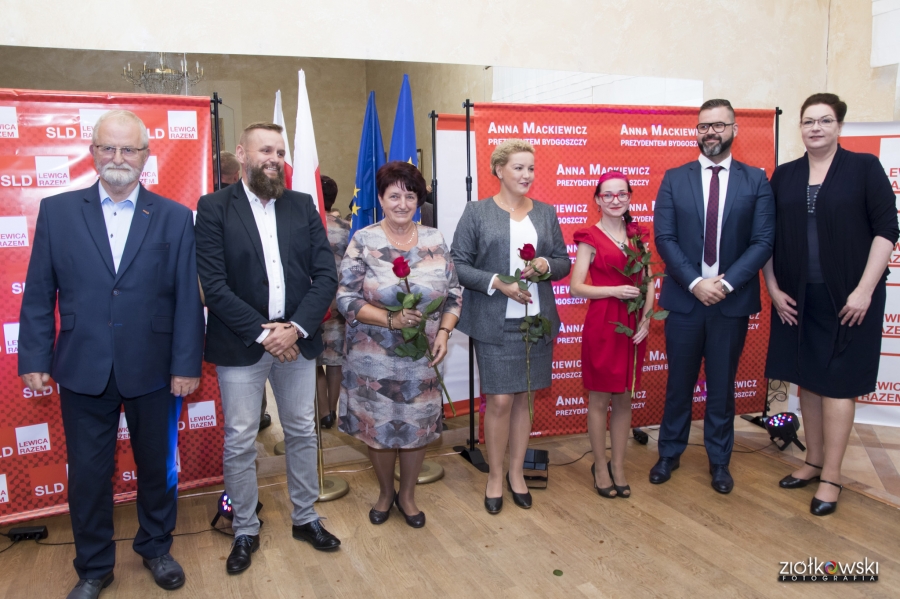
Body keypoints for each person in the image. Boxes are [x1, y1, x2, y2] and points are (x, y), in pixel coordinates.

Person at [18, 110, 205, 598]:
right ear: (93, 152)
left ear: (145, 156)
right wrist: (34, 357)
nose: (118, 157)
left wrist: (186, 364)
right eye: (108, 147)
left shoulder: (174, 216)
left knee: (158, 468)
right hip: (82, 365)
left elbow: (187, 298)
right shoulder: (58, 211)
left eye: (129, 149)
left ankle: (156, 548)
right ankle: (94, 567)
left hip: (155, 368)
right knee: (87, 475)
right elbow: (39, 292)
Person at [195, 122, 340, 575]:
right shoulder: (214, 208)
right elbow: (213, 285)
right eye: (265, 150)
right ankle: (244, 528)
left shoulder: (301, 205)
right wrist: (266, 335)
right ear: (242, 154)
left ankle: (306, 517)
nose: (274, 159)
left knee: (302, 430)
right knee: (241, 439)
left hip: (297, 340)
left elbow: (326, 276)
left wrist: (294, 329)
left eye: (280, 152)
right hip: (242, 342)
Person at [764, 93, 898, 516]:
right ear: (800, 128)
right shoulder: (785, 175)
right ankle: (814, 461)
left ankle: (832, 476)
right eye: (808, 121)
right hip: (797, 298)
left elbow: (887, 230)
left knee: (838, 384)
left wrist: (864, 290)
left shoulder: (863, 168)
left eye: (824, 120)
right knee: (807, 380)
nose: (816, 128)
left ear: (839, 126)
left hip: (849, 299)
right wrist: (772, 287)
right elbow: (766, 235)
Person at [651, 99, 775, 494]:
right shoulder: (675, 178)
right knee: (679, 384)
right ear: (697, 131)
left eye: (719, 125)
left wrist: (725, 284)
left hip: (730, 303)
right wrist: (695, 283)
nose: (711, 132)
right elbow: (664, 238)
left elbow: (763, 241)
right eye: (704, 126)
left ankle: (720, 461)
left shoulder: (755, 180)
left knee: (722, 387)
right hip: (685, 301)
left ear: (734, 129)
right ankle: (669, 453)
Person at [337, 161, 462, 528]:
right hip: (371, 358)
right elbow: (345, 298)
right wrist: (389, 319)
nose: (403, 204)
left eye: (410, 196)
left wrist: (444, 333)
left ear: (419, 200)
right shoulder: (364, 240)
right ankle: (384, 493)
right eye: (394, 196)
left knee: (416, 426)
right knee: (377, 428)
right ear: (380, 199)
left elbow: (454, 294)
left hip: (422, 357)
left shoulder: (435, 239)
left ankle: (407, 495)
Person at [451, 138, 570, 514]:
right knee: (500, 400)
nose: (526, 175)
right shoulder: (477, 212)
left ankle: (516, 473)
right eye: (518, 167)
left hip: (535, 322)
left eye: (531, 168)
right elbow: (458, 263)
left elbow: (563, 262)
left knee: (524, 399)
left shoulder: (546, 213)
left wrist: (546, 265)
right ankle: (494, 476)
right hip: (494, 323)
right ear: (499, 170)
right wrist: (497, 282)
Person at [570, 172, 653, 499]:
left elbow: (649, 281)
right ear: (598, 199)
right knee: (600, 398)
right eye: (608, 195)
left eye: (622, 194)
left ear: (630, 197)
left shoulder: (638, 235)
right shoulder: (589, 236)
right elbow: (576, 287)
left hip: (634, 325)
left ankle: (618, 466)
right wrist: (613, 290)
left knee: (624, 398)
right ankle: (601, 467)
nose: (615, 200)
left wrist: (647, 319)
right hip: (604, 323)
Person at [317, 174, 349, 428]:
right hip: (339, 304)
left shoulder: (307, 225)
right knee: (335, 361)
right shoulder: (347, 228)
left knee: (314, 361)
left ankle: (323, 412)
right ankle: (333, 411)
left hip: (312, 302)